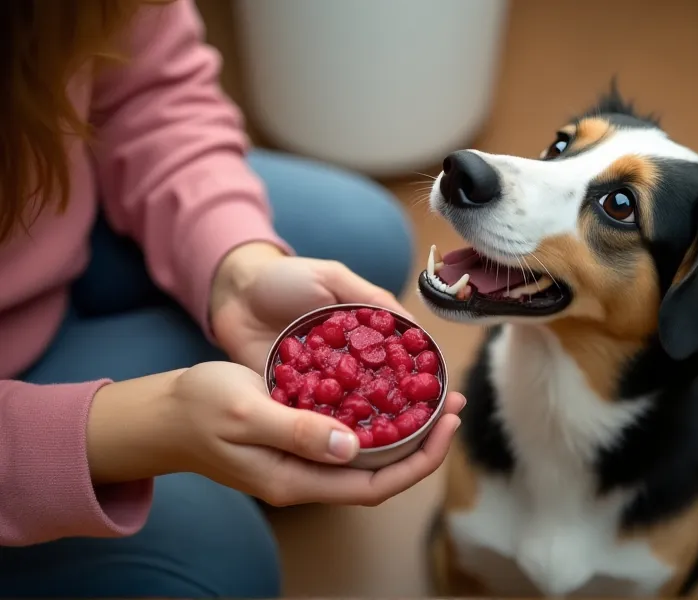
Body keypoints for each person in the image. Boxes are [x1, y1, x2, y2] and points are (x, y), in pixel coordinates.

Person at [0, 0, 464, 597]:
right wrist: (142, 424)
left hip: (52, 225)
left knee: (362, 236)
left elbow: (148, 91)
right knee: (224, 569)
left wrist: (237, 268)